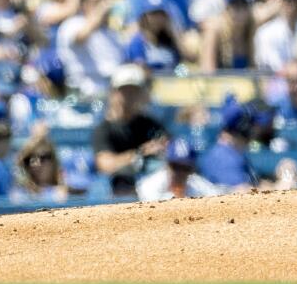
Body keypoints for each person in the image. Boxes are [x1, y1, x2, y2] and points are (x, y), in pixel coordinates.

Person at [91, 64, 167, 196]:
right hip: (117, 189)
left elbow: (167, 145)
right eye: (124, 90)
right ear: (113, 93)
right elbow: (105, 164)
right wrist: (139, 154)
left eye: (134, 90)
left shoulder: (150, 124)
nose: (129, 95)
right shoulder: (104, 129)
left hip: (151, 185)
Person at [135, 138, 220, 202]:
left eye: (185, 168)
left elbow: (217, 196)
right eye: (175, 166)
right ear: (167, 165)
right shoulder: (149, 186)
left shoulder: (198, 185)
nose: (180, 172)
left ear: (192, 169)